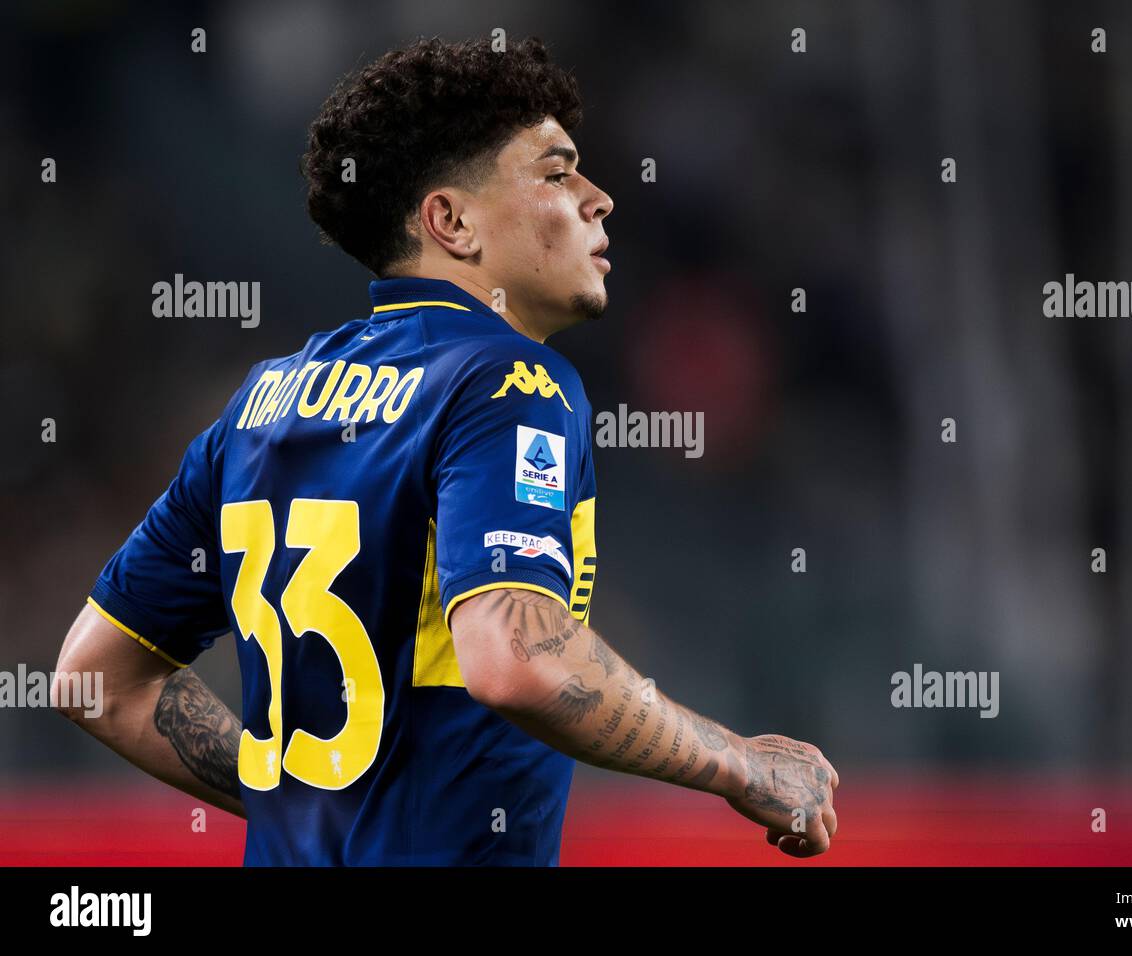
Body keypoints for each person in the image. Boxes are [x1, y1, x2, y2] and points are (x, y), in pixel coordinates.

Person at [55, 35, 837, 865]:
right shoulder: (509, 381)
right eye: (556, 172)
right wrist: (736, 762)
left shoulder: (260, 404)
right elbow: (518, 661)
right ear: (451, 221)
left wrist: (308, 805)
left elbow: (92, 677)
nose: (599, 198)